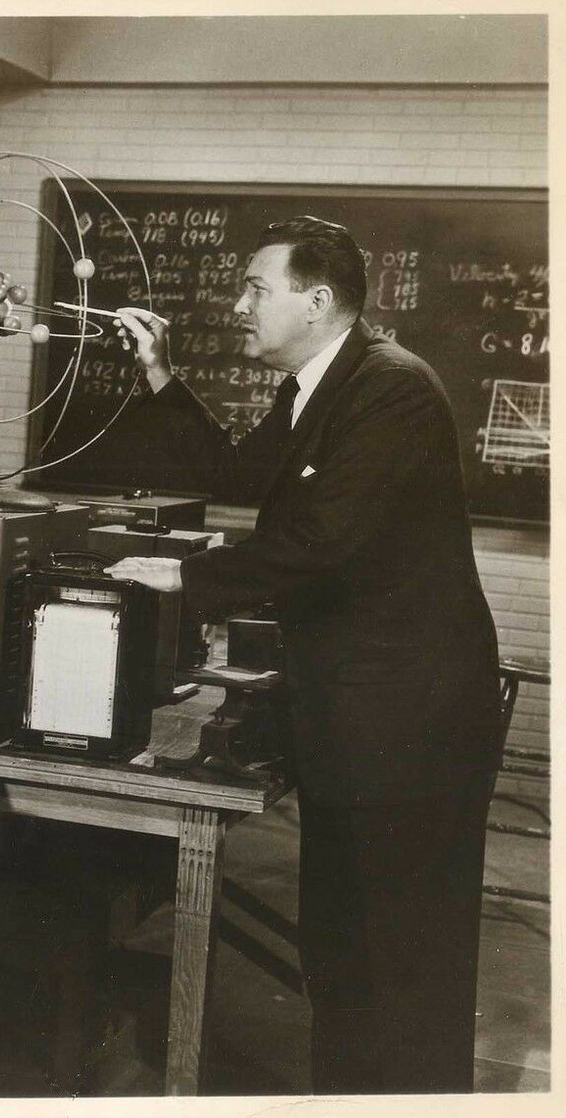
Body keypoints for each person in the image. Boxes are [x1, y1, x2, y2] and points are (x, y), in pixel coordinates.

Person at [107, 216, 501, 1094]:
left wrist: (185, 578)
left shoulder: (391, 390)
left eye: (255, 287)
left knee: (403, 962)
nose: (237, 304)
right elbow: (238, 478)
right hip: (364, 716)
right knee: (349, 949)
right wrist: (161, 375)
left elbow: (323, 540)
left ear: (317, 301)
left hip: (409, 726)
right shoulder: (319, 388)